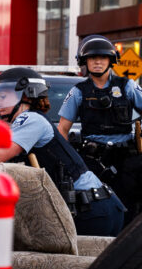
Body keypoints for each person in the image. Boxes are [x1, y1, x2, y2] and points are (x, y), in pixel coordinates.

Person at [0, 67, 126, 237]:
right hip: (88, 208)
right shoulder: (18, 126)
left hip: (93, 210)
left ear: (26, 94)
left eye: (3, 96)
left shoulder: (31, 120)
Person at [57, 34, 142, 221]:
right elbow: (62, 129)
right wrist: (67, 162)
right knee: (96, 208)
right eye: (92, 58)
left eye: (102, 57)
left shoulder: (127, 85)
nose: (97, 62)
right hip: (92, 160)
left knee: (130, 208)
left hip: (126, 159)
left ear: (111, 60)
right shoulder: (78, 92)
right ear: (84, 62)